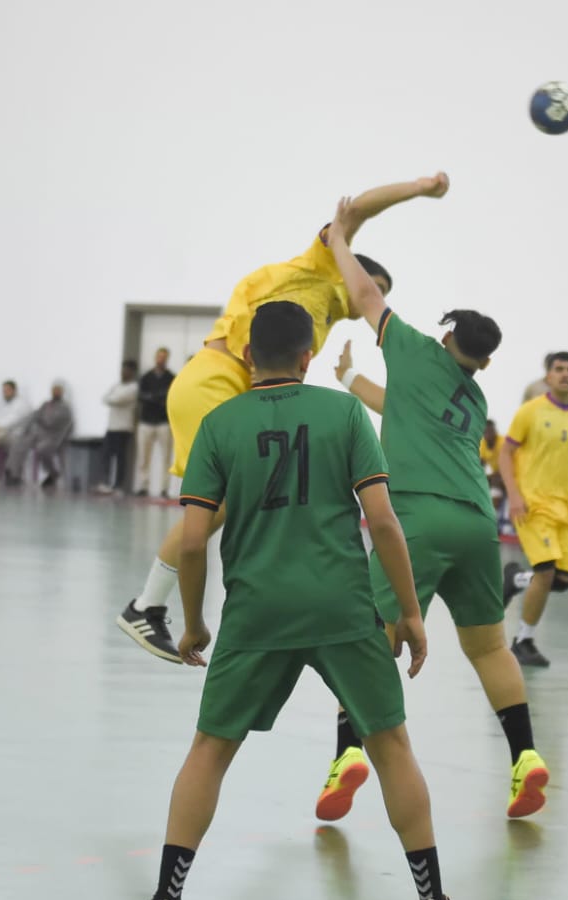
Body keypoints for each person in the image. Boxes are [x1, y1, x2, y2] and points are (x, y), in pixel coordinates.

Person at [125, 301, 476, 900]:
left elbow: (194, 541)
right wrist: (408, 611)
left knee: (210, 750)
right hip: (343, 608)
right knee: (390, 746)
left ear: (248, 356)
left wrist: (194, 623)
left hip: (255, 613)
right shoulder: (344, 413)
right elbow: (384, 522)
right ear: (308, 357)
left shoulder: (220, 425)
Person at [117, 172, 450, 661]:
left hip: (232, 388)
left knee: (239, 497)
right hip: (214, 379)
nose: (367, 292)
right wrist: (420, 187)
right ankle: (146, 606)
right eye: (371, 282)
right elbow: (356, 210)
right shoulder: (320, 265)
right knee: (215, 504)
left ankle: (197, 600)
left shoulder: (325, 318)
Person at [321, 204, 549, 824]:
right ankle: (525, 757)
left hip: (416, 519)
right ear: (486, 360)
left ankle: (347, 755)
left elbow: (366, 294)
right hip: (477, 524)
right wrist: (352, 380)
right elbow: (403, 409)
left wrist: (339, 240)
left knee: (371, 637)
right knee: (489, 647)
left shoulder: (416, 348)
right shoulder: (473, 398)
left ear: (445, 336)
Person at [498, 353, 568, 668]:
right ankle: (523, 641)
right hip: (532, 505)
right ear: (548, 376)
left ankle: (515, 579)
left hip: (565, 510)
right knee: (546, 572)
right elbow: (505, 453)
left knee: (563, 580)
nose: (565, 374)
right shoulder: (530, 411)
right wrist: (514, 495)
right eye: (559, 369)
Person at [5, 381, 73, 488]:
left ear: (62, 392)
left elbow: (50, 422)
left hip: (54, 437)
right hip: (39, 434)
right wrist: (18, 427)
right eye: (54, 390)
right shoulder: (46, 404)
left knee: (42, 449)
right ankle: (13, 473)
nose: (55, 392)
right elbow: (33, 415)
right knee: (19, 442)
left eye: (58, 390)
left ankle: (53, 473)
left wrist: (39, 418)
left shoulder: (65, 408)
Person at [134, 348, 175, 497]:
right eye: (159, 357)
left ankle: (165, 488)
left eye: (164, 357)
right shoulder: (146, 377)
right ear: (155, 358)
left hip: (163, 421)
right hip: (146, 421)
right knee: (143, 456)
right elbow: (141, 395)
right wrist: (153, 398)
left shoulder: (171, 378)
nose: (161, 359)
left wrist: (158, 398)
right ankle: (143, 485)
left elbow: (171, 395)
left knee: (166, 456)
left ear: (167, 359)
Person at [96, 361, 139, 494]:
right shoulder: (117, 385)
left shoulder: (133, 387)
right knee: (107, 455)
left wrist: (111, 398)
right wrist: (111, 398)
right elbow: (105, 398)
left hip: (123, 427)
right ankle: (106, 483)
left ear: (132, 372)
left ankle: (118, 485)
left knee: (120, 457)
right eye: (122, 369)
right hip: (112, 426)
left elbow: (117, 400)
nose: (123, 372)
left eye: (126, 370)